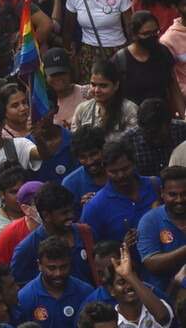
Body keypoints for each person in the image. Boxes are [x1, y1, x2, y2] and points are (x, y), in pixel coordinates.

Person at [9, 183, 97, 286]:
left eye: (71, 210)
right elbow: (19, 288)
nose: (71, 216)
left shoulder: (86, 233)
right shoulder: (27, 248)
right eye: (64, 213)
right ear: (47, 215)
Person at [81, 140, 162, 243]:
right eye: (113, 172)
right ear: (105, 169)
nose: (120, 175)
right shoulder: (95, 207)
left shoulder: (155, 185)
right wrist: (122, 248)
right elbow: (91, 250)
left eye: (125, 169)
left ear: (133, 162)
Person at [17, 236, 95, 328]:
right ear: (40, 265)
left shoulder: (86, 292)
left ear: (70, 262)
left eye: (63, 267)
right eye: (51, 268)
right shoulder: (24, 298)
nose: (58, 273)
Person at [136, 165, 186, 293]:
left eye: (184, 194)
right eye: (172, 195)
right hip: (162, 302)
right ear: (162, 192)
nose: (179, 200)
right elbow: (152, 265)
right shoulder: (150, 221)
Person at [106, 244, 172, 328]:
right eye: (122, 282)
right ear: (111, 290)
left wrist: (129, 275)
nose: (129, 286)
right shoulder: (110, 320)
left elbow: (163, 317)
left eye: (133, 280)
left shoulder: (157, 305)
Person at [71, 60, 139, 141]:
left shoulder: (129, 110)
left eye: (103, 86)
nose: (96, 90)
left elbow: (136, 143)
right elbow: (75, 142)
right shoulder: (82, 109)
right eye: (93, 85)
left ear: (116, 85)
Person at [120, 99, 186, 177]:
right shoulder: (127, 141)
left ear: (169, 124)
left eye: (161, 137)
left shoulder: (182, 130)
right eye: (150, 137)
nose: (156, 141)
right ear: (139, 126)